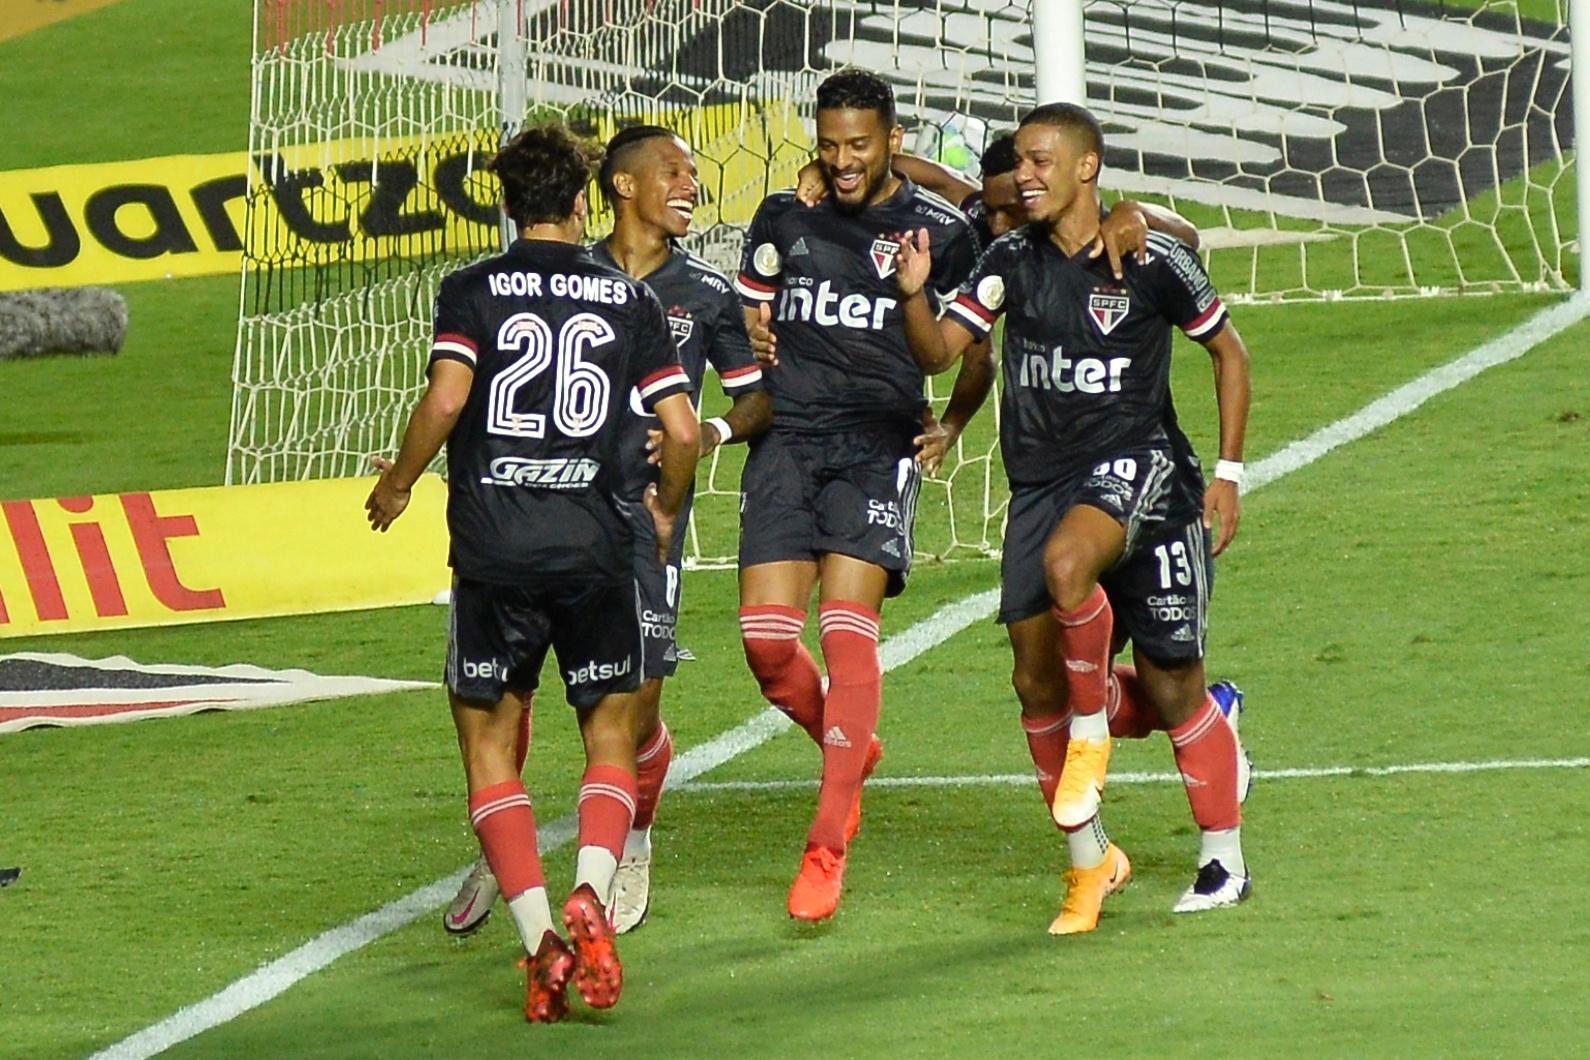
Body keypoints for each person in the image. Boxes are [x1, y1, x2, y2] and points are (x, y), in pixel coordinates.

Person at [365, 121, 700, 1022]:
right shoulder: (626, 297)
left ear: (507, 202)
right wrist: (663, 510)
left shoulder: (470, 288)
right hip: (593, 545)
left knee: (487, 749)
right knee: (609, 740)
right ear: (583, 201)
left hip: (493, 551)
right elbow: (681, 428)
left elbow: (446, 397)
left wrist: (398, 484)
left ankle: (540, 941)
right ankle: (594, 888)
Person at [894, 102, 1254, 933]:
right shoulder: (1008, 259)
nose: (1024, 174)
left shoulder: (1147, 254)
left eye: (1041, 159)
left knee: (1079, 582)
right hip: (1042, 483)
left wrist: (1229, 474)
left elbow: (1228, 351)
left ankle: (1222, 861)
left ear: (1086, 167)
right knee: (1039, 679)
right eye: (1019, 160)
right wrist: (914, 296)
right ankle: (1093, 861)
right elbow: (940, 351)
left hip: (1143, 464)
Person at [442, 125, 772, 940]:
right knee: (508, 699)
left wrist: (713, 437)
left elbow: (759, 398)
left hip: (644, 529)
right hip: (565, 515)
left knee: (637, 707)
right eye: (675, 172)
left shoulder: (706, 292)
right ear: (619, 188)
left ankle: (632, 840)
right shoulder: (575, 283)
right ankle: (504, 849)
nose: (692, 185)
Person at [732, 69, 980, 922]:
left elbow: (968, 343)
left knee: (845, 632)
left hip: (878, 443)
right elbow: (753, 310)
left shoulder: (940, 230)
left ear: (893, 140)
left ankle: (827, 842)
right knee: (767, 646)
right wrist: (753, 329)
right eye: (829, 144)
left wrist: (952, 421)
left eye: (859, 146)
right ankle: (850, 744)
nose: (840, 161)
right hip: (787, 440)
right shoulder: (782, 216)